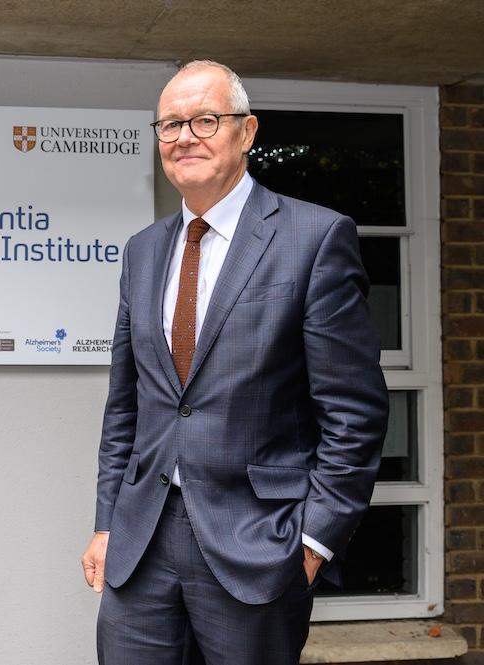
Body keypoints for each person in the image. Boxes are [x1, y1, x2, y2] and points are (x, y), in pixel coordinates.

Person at [80, 60, 389, 665]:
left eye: (205, 119)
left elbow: (354, 413)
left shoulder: (315, 238)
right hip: (140, 545)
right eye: (170, 125)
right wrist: (107, 521)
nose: (184, 136)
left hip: (258, 545)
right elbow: (127, 404)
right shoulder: (143, 252)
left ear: (246, 132)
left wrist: (313, 541)